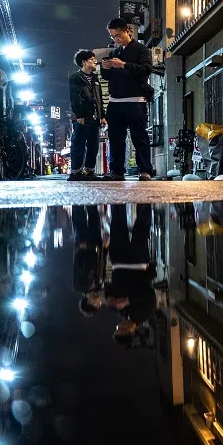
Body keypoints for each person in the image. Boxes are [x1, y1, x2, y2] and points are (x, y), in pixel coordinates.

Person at [101, 18, 155, 181]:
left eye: (118, 35)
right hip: (115, 102)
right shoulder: (113, 53)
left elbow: (146, 70)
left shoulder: (141, 50)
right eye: (112, 36)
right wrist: (105, 69)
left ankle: (145, 170)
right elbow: (107, 77)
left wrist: (123, 65)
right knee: (116, 138)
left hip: (135, 100)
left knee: (139, 137)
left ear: (127, 31)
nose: (115, 39)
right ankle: (116, 171)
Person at [105, 204, 156, 346]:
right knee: (141, 228)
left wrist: (109, 297)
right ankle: (145, 191)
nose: (122, 325)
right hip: (137, 263)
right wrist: (128, 300)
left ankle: (117, 186)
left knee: (117, 225)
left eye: (118, 328)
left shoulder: (119, 312)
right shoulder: (144, 314)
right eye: (124, 329)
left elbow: (108, 286)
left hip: (119, 263)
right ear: (132, 332)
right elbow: (149, 295)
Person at [68, 50, 106, 181]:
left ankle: (89, 171)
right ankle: (75, 172)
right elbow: (75, 98)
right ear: (84, 62)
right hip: (82, 117)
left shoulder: (95, 78)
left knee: (93, 145)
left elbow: (99, 98)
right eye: (92, 59)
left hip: (95, 117)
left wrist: (103, 116)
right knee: (78, 144)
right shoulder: (75, 78)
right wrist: (79, 115)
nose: (95, 61)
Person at [72, 205, 107, 317]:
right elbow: (102, 264)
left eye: (97, 304)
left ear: (90, 302)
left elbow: (77, 266)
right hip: (96, 244)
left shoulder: (79, 286)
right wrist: (105, 248)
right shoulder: (99, 285)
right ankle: (90, 194)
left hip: (84, 245)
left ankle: (76, 194)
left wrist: (80, 248)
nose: (99, 302)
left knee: (79, 217)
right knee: (94, 215)